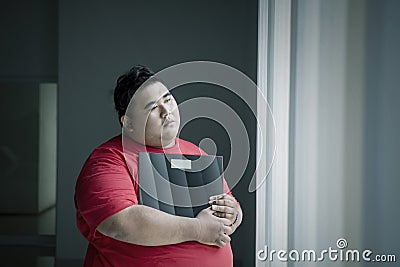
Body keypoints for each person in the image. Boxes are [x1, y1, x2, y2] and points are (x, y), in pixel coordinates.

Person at [74, 65, 243, 267]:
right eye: (153, 107)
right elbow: (122, 223)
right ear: (128, 122)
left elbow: (230, 207)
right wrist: (198, 229)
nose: (166, 111)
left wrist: (233, 214)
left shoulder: (196, 153)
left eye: (168, 99)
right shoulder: (107, 161)